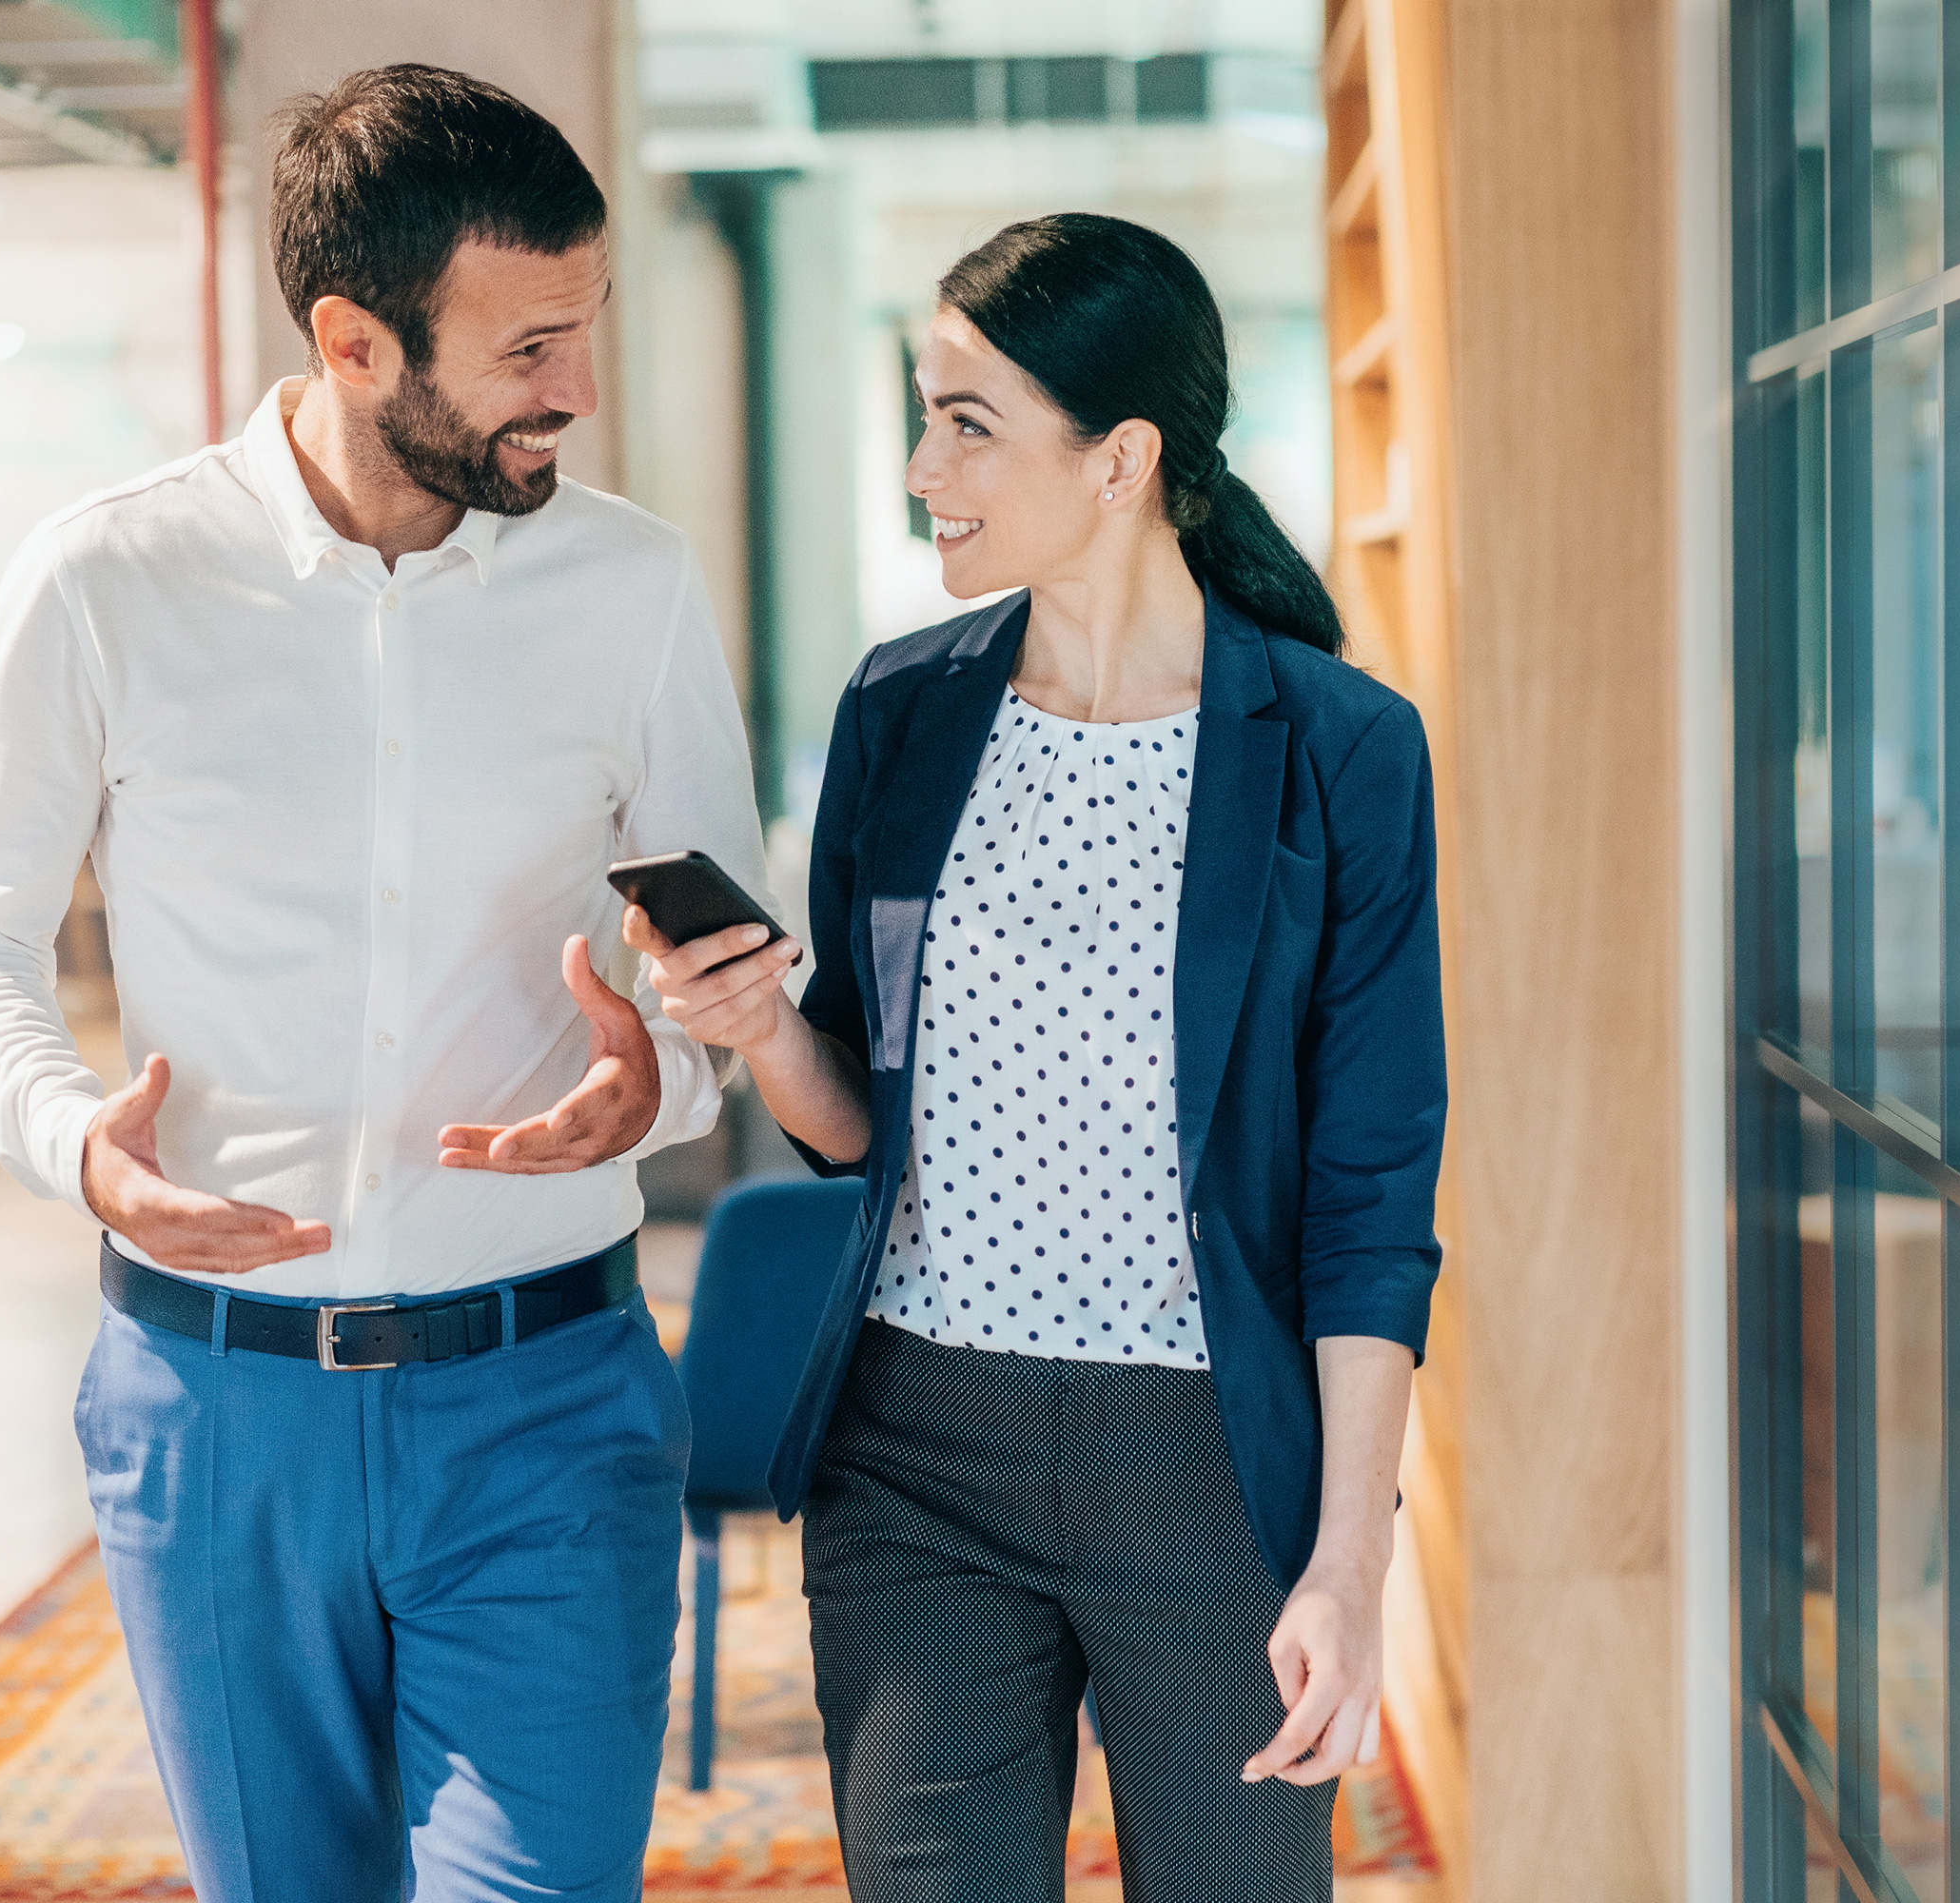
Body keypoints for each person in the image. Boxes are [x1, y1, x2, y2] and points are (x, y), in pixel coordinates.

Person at [0, 65, 764, 1903]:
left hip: (549, 1400)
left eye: (584, 328)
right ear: (356, 339)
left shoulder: (632, 588)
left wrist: (667, 1084)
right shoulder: (107, 580)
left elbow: (723, 965)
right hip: (216, 1428)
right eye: (528, 347)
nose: (578, 392)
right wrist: (77, 1147)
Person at [627, 212, 1444, 1901]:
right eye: (921, 414)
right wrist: (766, 1026)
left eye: (968, 422)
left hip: (1209, 1465)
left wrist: (1350, 1561)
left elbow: (1371, 1189)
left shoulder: (1338, 751)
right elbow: (862, 1130)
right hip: (915, 1453)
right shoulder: (902, 711)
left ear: (1123, 456)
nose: (925, 463)